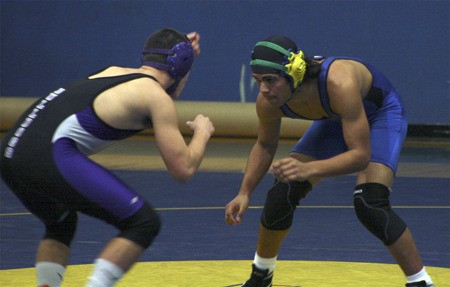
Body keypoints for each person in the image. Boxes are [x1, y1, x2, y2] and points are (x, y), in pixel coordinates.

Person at [0, 28, 214, 287]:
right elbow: (184, 168)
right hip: (48, 154)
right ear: (180, 66)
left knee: (61, 221)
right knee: (143, 223)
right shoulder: (156, 97)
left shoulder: (113, 71)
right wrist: (202, 133)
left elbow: (170, 86)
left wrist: (186, 61)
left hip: (10, 151)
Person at [224, 35, 435, 287]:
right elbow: (265, 144)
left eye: (270, 80)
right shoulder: (268, 102)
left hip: (379, 114)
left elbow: (360, 156)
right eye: (258, 81)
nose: (264, 90)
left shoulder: (339, 82)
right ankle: (261, 277)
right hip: (336, 118)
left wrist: (309, 168)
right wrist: (244, 192)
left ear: (294, 72)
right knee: (282, 194)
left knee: (370, 203)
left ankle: (421, 283)